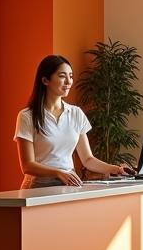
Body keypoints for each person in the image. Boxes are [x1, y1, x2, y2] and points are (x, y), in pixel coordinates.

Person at [14, 54, 131, 188]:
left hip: (68, 185)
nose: (69, 81)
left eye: (70, 76)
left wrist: (116, 169)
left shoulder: (76, 113)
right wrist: (58, 173)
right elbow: (27, 166)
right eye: (62, 76)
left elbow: (87, 159)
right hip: (37, 187)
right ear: (45, 80)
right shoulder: (27, 116)